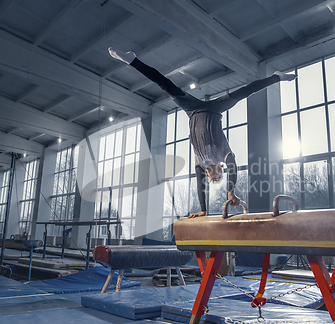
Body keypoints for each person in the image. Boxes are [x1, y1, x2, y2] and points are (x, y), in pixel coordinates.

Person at [108, 47, 296, 218]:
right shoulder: (224, 155)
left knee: (165, 85)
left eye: (209, 176)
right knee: (244, 92)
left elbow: (200, 185)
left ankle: (132, 61)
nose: (209, 175)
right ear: (220, 170)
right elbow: (233, 166)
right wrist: (231, 190)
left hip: (192, 110)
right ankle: (277, 77)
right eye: (215, 177)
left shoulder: (200, 162)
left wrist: (203, 209)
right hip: (216, 109)